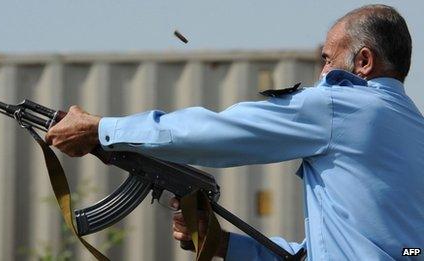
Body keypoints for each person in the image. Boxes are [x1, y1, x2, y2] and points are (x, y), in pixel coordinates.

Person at [45, 4, 424, 260]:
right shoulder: (414, 128)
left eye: (327, 59)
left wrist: (101, 129)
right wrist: (224, 244)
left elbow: (213, 133)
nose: (321, 73)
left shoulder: (340, 105)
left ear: (363, 61)